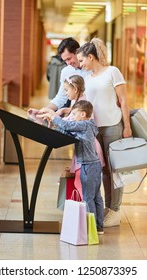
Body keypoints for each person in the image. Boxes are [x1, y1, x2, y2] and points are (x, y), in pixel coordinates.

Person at [76, 37, 132, 227]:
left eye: (82, 60)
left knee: (114, 170)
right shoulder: (87, 78)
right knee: (101, 170)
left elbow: (123, 100)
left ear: (91, 57)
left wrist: (127, 127)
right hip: (93, 129)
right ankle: (107, 208)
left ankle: (114, 210)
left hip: (113, 126)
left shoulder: (112, 72)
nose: (81, 65)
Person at [37, 100, 104, 234]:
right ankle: (98, 225)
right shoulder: (88, 125)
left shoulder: (83, 124)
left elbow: (66, 125)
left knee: (88, 198)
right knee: (96, 197)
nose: (72, 116)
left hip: (88, 166)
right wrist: (52, 124)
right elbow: (66, 130)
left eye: (74, 114)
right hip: (95, 165)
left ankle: (92, 228)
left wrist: (53, 115)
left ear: (83, 114)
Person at [42, 37, 91, 111]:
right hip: (78, 115)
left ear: (77, 51)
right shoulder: (66, 71)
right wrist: (42, 111)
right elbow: (60, 98)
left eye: (69, 59)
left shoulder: (92, 68)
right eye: (65, 61)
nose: (68, 63)